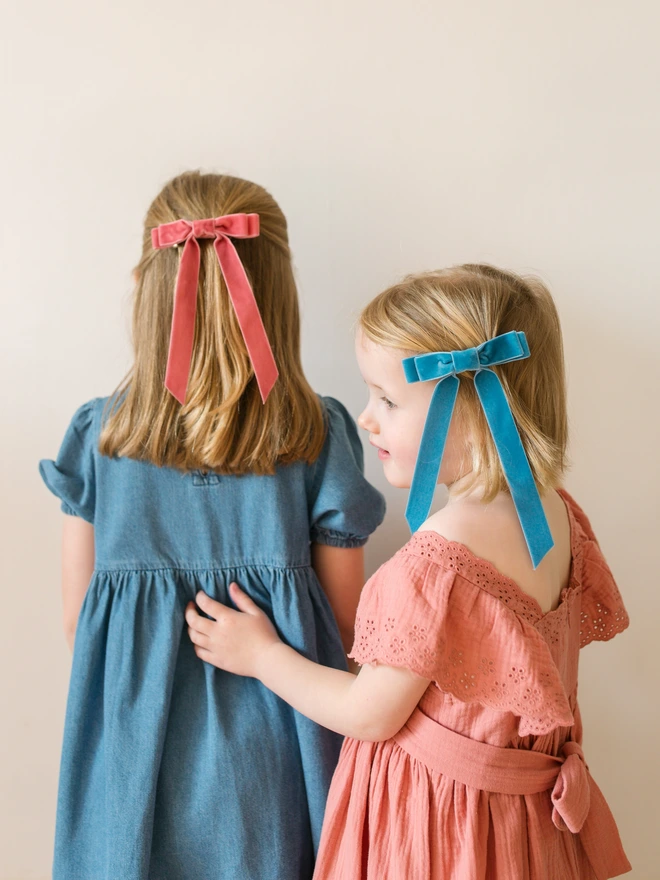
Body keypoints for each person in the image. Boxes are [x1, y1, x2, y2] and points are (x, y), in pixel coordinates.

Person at [186, 264, 632, 879]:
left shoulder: (435, 562)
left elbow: (369, 712)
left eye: (389, 400)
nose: (367, 419)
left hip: (443, 835)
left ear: (472, 412)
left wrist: (261, 654)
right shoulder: (556, 516)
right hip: (522, 830)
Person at [39, 170, 385, 880]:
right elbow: (352, 635)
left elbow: (80, 624)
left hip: (136, 752)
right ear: (278, 292)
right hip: (278, 755)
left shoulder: (99, 436)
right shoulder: (316, 433)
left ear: (147, 287)